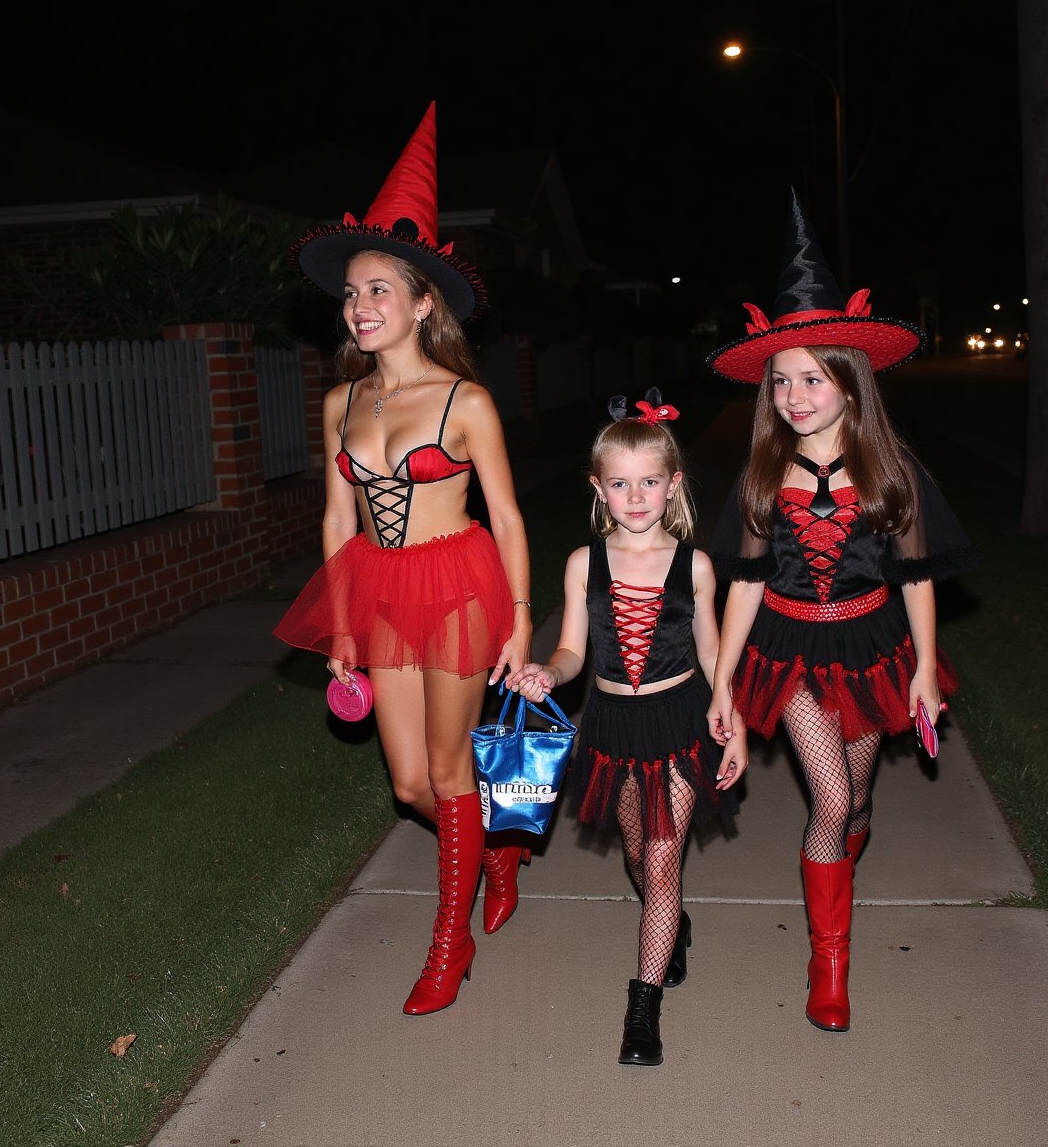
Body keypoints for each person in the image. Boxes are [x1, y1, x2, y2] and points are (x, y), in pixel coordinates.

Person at [274, 103, 534, 1016]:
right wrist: (341, 628)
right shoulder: (342, 401)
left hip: (459, 583)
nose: (360, 307)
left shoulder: (466, 400)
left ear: (425, 301)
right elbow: (338, 523)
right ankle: (499, 853)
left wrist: (524, 623)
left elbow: (506, 518)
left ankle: (447, 946)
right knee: (411, 784)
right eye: (351, 294)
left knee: (451, 769)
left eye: (379, 289)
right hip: (379, 594)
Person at [705, 190, 980, 1033]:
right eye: (781, 381)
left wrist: (926, 669)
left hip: (870, 644)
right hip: (786, 649)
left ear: (850, 382)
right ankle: (830, 967)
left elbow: (918, 578)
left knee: (854, 802)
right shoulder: (761, 477)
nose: (794, 395)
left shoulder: (892, 470)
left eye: (812, 378)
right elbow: (744, 584)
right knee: (826, 800)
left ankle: (850, 845)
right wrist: (721, 684)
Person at [505, 391, 743, 1066]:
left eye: (648, 482)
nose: (635, 496)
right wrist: (548, 674)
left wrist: (738, 723)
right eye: (620, 483)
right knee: (641, 858)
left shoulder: (693, 567)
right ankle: (672, 925)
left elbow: (715, 654)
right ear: (598, 489)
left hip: (680, 718)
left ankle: (642, 1010)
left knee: (664, 859)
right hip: (613, 723)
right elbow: (573, 649)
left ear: (672, 486)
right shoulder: (586, 564)